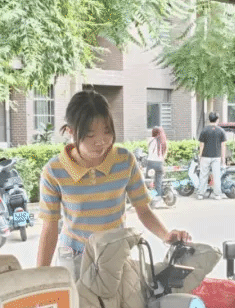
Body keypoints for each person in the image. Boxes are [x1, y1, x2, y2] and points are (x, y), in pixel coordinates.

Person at [36, 90, 191, 277]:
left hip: (114, 254)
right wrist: (40, 277)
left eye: (107, 131)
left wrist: (166, 236)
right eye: (90, 135)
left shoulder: (124, 161)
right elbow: (50, 227)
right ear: (71, 132)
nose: (101, 141)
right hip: (74, 257)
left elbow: (143, 210)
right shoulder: (55, 170)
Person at [197, 112, 228, 200]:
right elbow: (223, 146)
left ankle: (200, 194)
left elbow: (201, 145)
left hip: (205, 156)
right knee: (216, 176)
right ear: (217, 120)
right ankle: (217, 194)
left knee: (203, 175)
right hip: (216, 157)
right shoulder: (221, 131)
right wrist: (223, 160)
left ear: (209, 119)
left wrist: (200, 156)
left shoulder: (204, 130)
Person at [145, 126, 168, 205]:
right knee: (158, 183)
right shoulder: (163, 141)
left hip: (151, 163)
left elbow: (149, 150)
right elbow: (164, 155)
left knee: (148, 181)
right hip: (160, 164)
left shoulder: (150, 140)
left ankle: (149, 197)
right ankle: (158, 199)